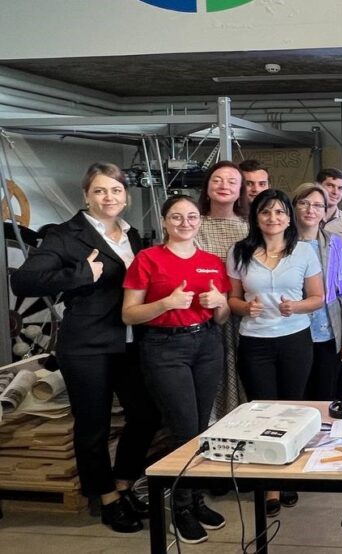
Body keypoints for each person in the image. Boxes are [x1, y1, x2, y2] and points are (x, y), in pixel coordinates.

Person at [11, 162, 161, 533]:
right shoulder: (66, 234)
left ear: (126, 196)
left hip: (130, 341)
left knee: (146, 415)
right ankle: (105, 498)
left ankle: (123, 484)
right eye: (99, 190)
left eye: (116, 190)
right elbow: (25, 281)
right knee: (93, 426)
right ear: (86, 195)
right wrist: (80, 274)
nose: (108, 197)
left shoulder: (131, 235)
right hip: (87, 344)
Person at [122, 195, 231, 544]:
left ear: (200, 221)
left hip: (207, 344)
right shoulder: (147, 259)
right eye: (177, 217)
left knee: (200, 428)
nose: (186, 223)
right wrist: (166, 303)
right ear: (165, 221)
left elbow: (223, 316)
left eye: (192, 217)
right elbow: (129, 314)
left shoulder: (211, 262)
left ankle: (196, 499)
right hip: (165, 348)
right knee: (183, 429)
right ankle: (180, 508)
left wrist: (221, 303)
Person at [228, 188, 325, 516]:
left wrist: (296, 306)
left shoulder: (304, 251)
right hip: (255, 342)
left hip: (295, 340)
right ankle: (269, 484)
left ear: (289, 218)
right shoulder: (240, 251)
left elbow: (318, 298)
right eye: (266, 212)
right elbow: (232, 299)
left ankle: (288, 476)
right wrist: (245, 307)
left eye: (280, 212)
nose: (273, 218)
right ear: (256, 217)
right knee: (262, 412)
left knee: (292, 409)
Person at [292, 183, 342, 400]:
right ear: (294, 207)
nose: (310, 210)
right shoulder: (281, 244)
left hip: (326, 334)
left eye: (318, 205)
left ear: (324, 211)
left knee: (324, 396)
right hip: (290, 334)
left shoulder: (335, 245)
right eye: (304, 203)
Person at [196, 161, 250, 418]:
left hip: (242, 315)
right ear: (207, 187)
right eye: (217, 180)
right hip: (202, 315)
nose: (224, 186)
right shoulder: (193, 223)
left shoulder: (250, 227)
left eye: (232, 181)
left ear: (240, 191)